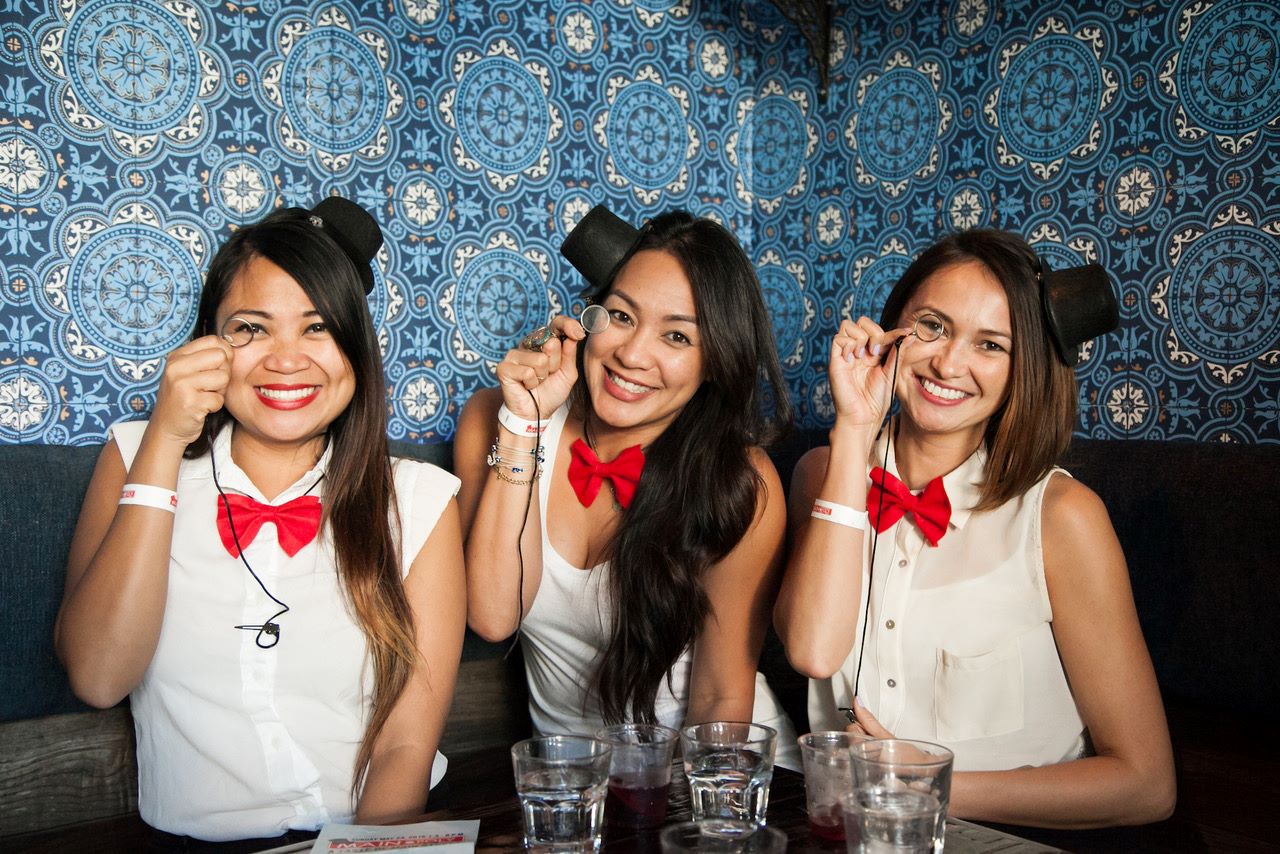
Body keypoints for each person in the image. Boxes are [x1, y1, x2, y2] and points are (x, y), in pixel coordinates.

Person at [55, 198, 466, 846]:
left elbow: (407, 746)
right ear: (209, 343)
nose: (285, 359)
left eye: (316, 327)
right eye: (251, 329)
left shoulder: (420, 498)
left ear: (355, 349)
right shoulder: (136, 452)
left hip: (376, 835)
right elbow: (98, 676)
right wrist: (165, 441)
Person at [774, 229, 1176, 827]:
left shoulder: (1063, 516)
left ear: (1025, 369)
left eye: (991, 345)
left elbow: (1145, 785)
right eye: (932, 326)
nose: (948, 362)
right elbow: (811, 650)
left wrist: (922, 786)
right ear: (892, 331)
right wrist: (854, 431)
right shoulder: (821, 475)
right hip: (849, 832)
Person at [457, 209, 800, 767]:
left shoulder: (740, 480)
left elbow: (720, 698)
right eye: (620, 315)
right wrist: (524, 427)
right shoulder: (495, 419)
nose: (633, 355)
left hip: (716, 773)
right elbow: (495, 615)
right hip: (575, 784)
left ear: (714, 360)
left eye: (677, 335)